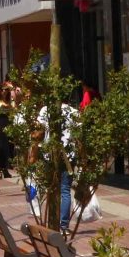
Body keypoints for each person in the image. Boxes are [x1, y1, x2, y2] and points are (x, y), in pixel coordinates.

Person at [35, 97, 80, 234]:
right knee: (65, 190)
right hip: (68, 156)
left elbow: (39, 131)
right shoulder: (73, 112)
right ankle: (63, 226)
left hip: (50, 155)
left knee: (51, 188)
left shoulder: (45, 110)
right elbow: (79, 135)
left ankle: (51, 222)